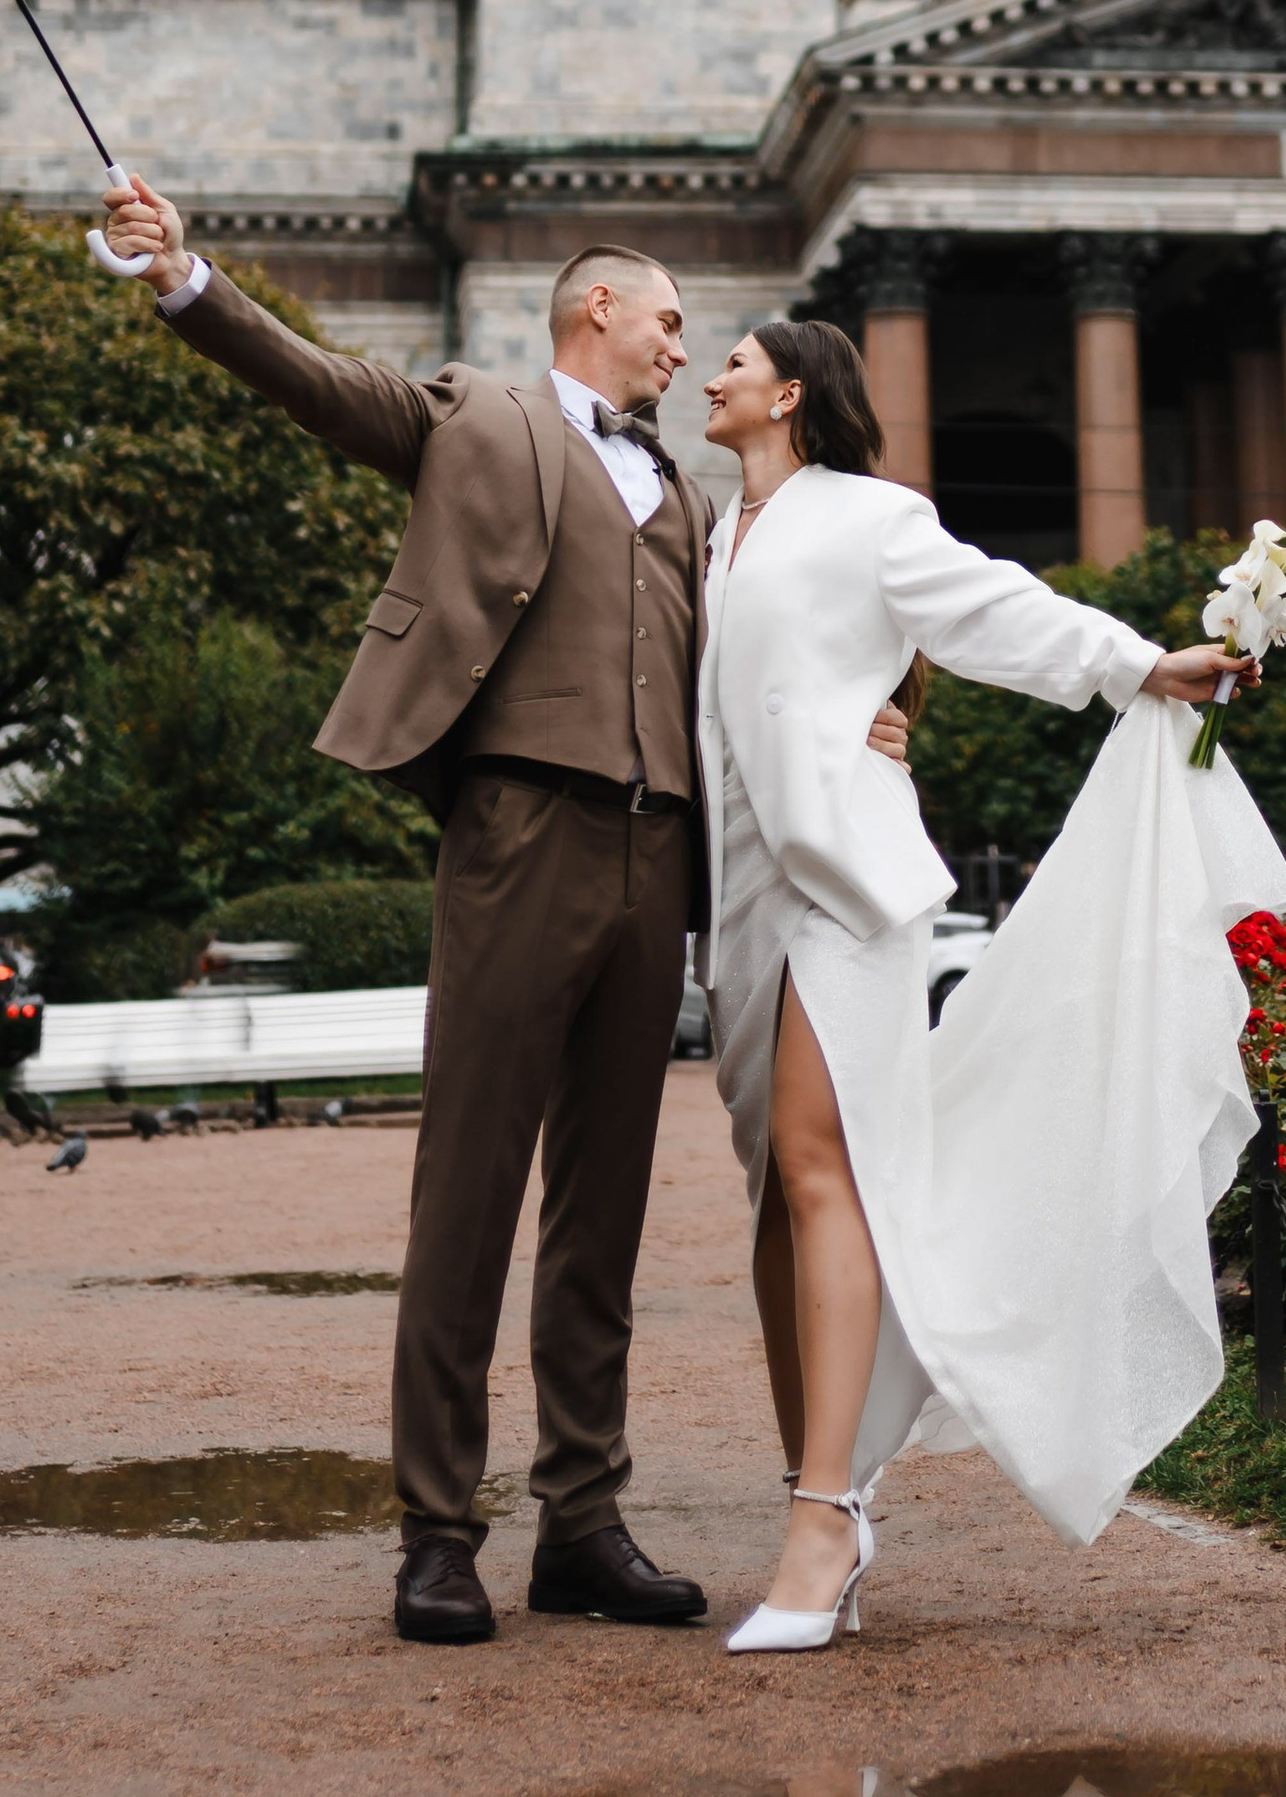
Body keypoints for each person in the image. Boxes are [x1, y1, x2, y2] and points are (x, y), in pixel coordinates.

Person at [98, 182, 898, 1646]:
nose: (681, 347)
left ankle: (582, 1524)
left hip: (663, 859)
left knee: (605, 1222)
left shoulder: (698, 501)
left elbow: (778, 659)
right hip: (519, 827)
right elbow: (326, 390)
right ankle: (438, 1532)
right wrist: (185, 280)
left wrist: (867, 725)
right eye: (666, 322)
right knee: (468, 1192)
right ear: (599, 309)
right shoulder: (479, 413)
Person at [695, 314, 1286, 1654]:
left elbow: (990, 605)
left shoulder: (868, 516)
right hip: (740, 893)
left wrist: (1138, 664)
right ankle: (828, 1492)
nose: (711, 371)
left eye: (734, 356)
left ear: (790, 392)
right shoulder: (709, 541)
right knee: (786, 1200)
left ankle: (825, 1519)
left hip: (847, 874)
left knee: (816, 1166)